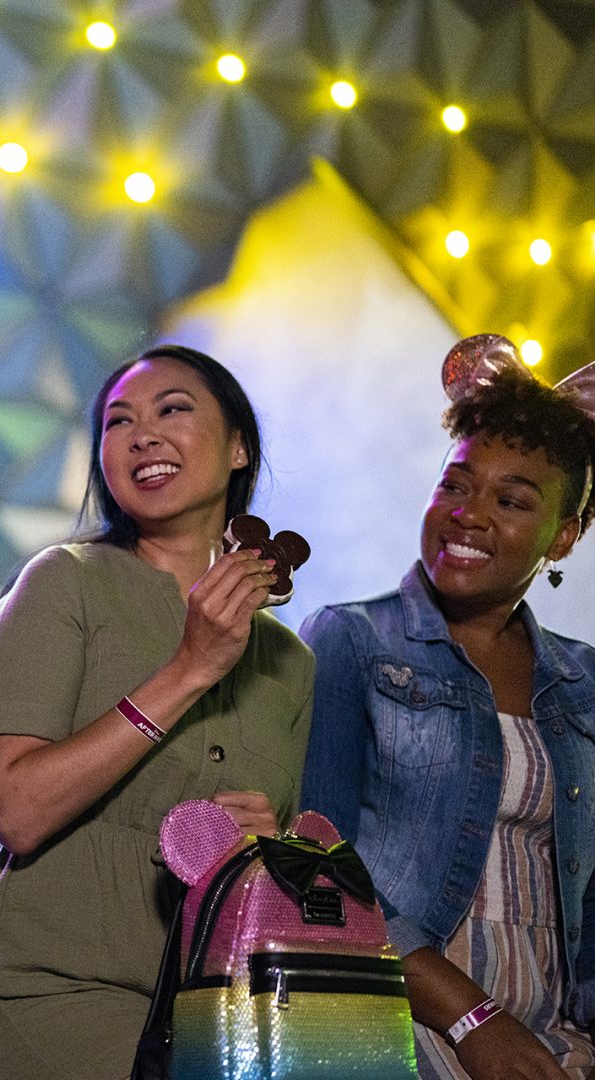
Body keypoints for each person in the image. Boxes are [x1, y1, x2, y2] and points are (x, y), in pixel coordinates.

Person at [0, 344, 315, 1078]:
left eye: (173, 410)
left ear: (239, 447)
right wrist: (190, 668)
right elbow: (19, 810)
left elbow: (301, 873)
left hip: (231, 1009)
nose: (142, 434)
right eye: (118, 421)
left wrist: (274, 844)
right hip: (64, 983)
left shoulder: (291, 662)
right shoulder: (64, 585)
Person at [299, 336, 595, 1080]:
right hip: (397, 1023)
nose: (470, 515)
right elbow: (318, 864)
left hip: (555, 1034)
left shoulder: (586, 682)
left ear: (564, 536)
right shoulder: (352, 641)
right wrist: (475, 1021)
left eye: (512, 500)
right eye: (455, 486)